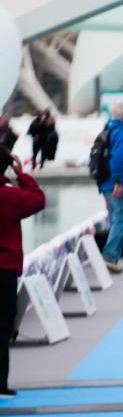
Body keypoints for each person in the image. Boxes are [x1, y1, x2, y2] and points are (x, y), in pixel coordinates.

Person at [0, 147, 45, 399]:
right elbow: (38, 200)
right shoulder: (10, 196)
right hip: (4, 270)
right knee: (3, 327)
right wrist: (22, 176)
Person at [99, 102, 123, 274]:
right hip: (115, 182)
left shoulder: (108, 129)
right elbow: (118, 159)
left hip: (104, 181)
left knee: (115, 218)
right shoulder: (122, 132)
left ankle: (113, 259)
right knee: (122, 217)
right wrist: (119, 182)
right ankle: (109, 256)